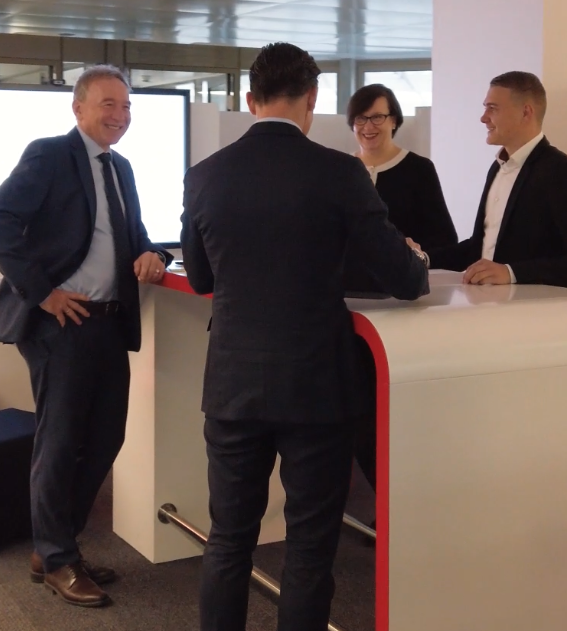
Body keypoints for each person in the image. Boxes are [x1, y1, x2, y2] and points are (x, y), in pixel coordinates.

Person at [182, 43, 429, 631]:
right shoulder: (339, 172)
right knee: (310, 548)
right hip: (316, 384)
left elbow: (200, 278)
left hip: (234, 382)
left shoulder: (205, 175)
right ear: (312, 99)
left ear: (251, 100)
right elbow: (403, 279)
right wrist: (416, 260)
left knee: (229, 540)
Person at [0, 65, 172, 609]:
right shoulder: (49, 155)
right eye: (109, 104)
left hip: (109, 321)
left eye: (127, 107)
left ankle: (53, 546)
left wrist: (155, 253)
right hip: (61, 323)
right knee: (60, 442)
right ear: (79, 108)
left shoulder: (121, 167)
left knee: (106, 438)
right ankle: (58, 557)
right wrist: (42, 293)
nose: (120, 115)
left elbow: (134, 236)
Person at [342, 83, 456, 496]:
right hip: (350, 307)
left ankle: (399, 501)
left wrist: (413, 251)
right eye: (360, 118)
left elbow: (444, 240)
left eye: (378, 117)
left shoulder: (418, 169)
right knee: (354, 409)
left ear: (394, 120)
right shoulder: (342, 170)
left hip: (402, 308)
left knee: (392, 411)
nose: (368, 126)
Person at [427, 71, 567, 289]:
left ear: (525, 112)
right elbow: (480, 248)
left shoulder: (563, 172)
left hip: (537, 308)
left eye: (492, 108)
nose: (483, 118)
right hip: (491, 304)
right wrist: (423, 259)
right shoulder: (497, 168)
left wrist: (511, 273)